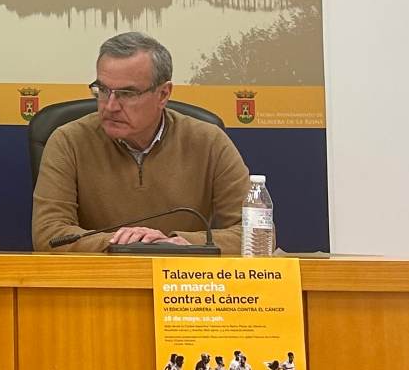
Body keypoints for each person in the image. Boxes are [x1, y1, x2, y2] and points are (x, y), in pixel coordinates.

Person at [32, 32, 250, 253]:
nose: (110, 106)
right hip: (100, 279)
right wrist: (127, 244)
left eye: (127, 93)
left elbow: (255, 233)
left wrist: (179, 244)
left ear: (163, 94)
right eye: (103, 90)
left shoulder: (208, 141)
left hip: (181, 280)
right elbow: (49, 234)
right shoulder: (69, 141)